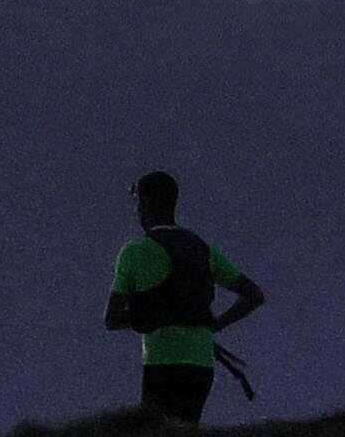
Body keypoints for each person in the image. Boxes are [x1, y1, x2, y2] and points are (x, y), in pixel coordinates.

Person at [106, 166, 269, 421]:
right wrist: (213, 324)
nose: (136, 209)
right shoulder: (201, 248)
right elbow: (254, 295)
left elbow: (112, 319)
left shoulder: (134, 252)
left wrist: (149, 314)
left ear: (146, 203)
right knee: (186, 436)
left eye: (137, 201)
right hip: (202, 365)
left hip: (162, 363)